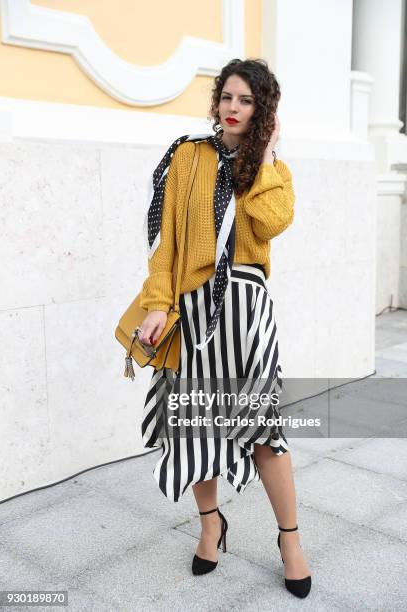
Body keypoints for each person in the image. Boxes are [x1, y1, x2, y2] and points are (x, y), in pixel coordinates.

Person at [137, 58, 311, 598]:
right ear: (216, 100)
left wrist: (263, 154)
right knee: (195, 425)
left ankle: (290, 540)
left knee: (262, 428)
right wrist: (158, 303)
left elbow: (274, 221)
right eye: (227, 97)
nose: (232, 108)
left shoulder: (268, 167)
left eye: (246, 101)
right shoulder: (187, 155)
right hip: (191, 307)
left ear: (263, 111)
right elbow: (165, 239)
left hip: (244, 306)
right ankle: (212, 524)